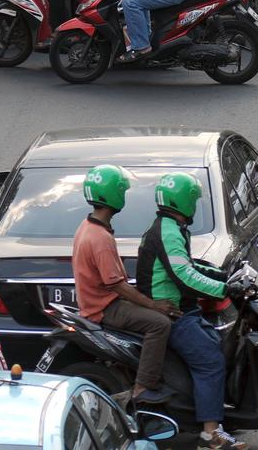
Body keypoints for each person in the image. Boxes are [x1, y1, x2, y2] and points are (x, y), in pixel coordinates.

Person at [137, 172, 247, 450]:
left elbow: (192, 266)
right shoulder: (169, 231)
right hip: (172, 313)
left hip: (183, 309)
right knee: (210, 361)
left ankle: (212, 414)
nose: (195, 206)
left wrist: (224, 276)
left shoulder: (171, 227)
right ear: (183, 201)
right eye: (194, 200)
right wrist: (223, 290)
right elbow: (183, 274)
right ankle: (211, 434)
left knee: (217, 346)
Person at [72, 164, 179, 405]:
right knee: (160, 323)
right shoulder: (99, 238)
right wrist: (154, 305)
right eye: (122, 191)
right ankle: (143, 386)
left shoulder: (88, 226)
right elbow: (117, 286)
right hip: (105, 308)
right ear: (112, 194)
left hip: (98, 302)